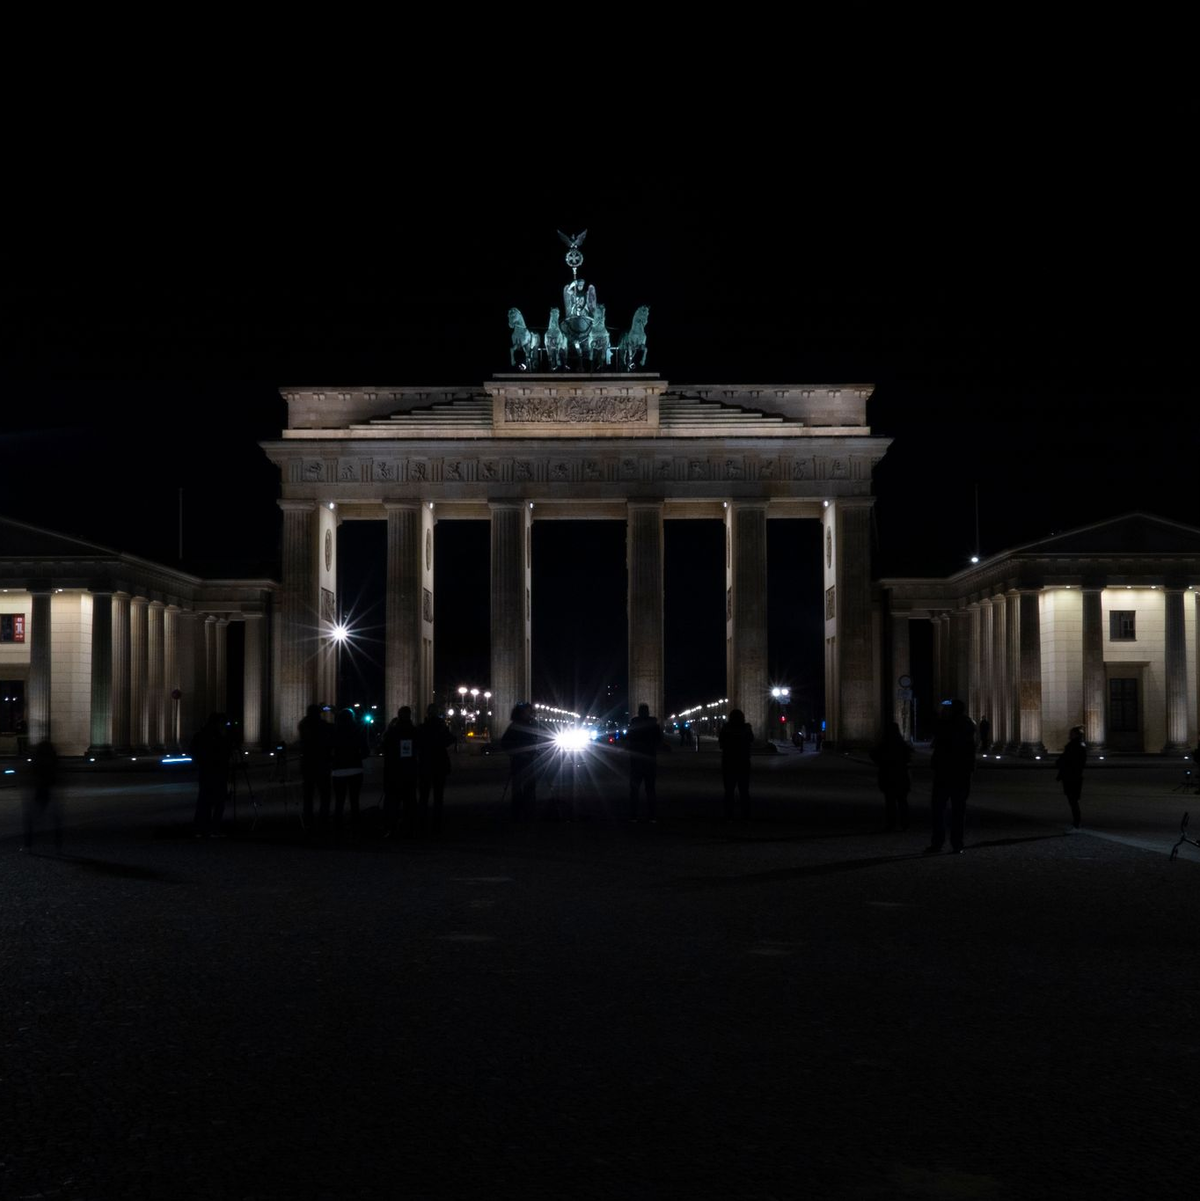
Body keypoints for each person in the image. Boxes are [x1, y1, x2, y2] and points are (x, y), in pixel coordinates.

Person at [926, 699, 977, 854]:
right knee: (959, 810)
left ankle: (937, 843)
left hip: (944, 771)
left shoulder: (946, 725)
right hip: (962, 773)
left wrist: (938, 713)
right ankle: (957, 844)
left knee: (938, 809)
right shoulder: (969, 725)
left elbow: (934, 728)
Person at [416, 704, 455, 834]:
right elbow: (449, 740)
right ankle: (437, 824)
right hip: (439, 764)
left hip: (425, 764)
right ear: (438, 713)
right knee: (438, 796)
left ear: (427, 713)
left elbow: (416, 743)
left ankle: (421, 823)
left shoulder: (422, 728)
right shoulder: (441, 727)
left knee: (423, 795)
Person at [190, 712, 230, 838]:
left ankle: (202, 829)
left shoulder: (201, 735)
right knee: (216, 802)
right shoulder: (217, 737)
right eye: (222, 723)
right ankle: (212, 829)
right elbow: (224, 754)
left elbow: (193, 751)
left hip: (208, 772)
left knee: (205, 801)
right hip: (214, 772)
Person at [382, 706, 420, 836]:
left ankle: (392, 828)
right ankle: (410, 828)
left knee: (393, 801)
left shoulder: (392, 732)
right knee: (410, 801)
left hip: (394, 772)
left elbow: (384, 747)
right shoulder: (414, 731)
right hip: (409, 771)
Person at [331, 708, 369, 838]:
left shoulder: (334, 731)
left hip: (338, 770)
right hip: (355, 769)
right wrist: (357, 757)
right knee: (354, 800)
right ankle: (356, 826)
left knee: (339, 800)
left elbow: (328, 750)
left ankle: (337, 827)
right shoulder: (358, 730)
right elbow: (365, 751)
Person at [500, 703, 542, 821]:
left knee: (529, 788)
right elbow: (505, 743)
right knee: (519, 789)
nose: (530, 713)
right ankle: (519, 813)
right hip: (519, 761)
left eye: (530, 711)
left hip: (529, 761)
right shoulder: (515, 726)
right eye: (527, 711)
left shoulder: (530, 724)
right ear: (520, 713)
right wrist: (517, 753)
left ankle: (528, 812)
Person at [870, 721, 913, 831]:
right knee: (902, 801)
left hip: (888, 776)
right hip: (901, 776)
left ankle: (891, 823)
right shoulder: (902, 744)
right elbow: (908, 757)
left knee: (890, 801)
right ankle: (905, 823)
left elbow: (874, 755)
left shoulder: (884, 745)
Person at [298, 703, 333, 833]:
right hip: (322, 764)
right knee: (325, 794)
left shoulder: (303, 725)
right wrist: (333, 712)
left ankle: (308, 820)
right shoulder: (323, 725)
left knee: (308, 795)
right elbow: (333, 730)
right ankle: (323, 819)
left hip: (307, 764)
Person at [626, 703, 663, 823]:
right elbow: (659, 741)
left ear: (638, 712)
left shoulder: (634, 724)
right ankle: (652, 816)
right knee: (650, 790)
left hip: (636, 761)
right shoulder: (654, 725)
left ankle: (633, 816)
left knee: (634, 790)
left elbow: (628, 740)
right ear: (648, 712)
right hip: (649, 761)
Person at [22, 739, 61, 853]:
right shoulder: (53, 759)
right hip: (48, 789)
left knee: (30, 818)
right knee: (55, 818)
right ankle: (58, 843)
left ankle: (28, 844)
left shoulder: (38, 760)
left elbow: (31, 774)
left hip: (39, 790)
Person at [718, 709, 754, 821]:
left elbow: (721, 743)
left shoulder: (726, 728)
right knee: (744, 790)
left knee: (729, 790)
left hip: (729, 762)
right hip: (743, 762)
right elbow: (751, 740)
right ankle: (746, 814)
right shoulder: (747, 729)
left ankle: (728, 814)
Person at [1056, 726, 1086, 830]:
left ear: (1075, 734)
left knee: (1073, 801)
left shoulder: (1073, 746)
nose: (1069, 735)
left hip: (1071, 776)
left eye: (1071, 733)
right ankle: (1076, 822)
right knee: (1073, 801)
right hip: (1075, 776)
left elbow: (1067, 760)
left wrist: (1060, 763)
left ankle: (1076, 823)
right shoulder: (1078, 745)